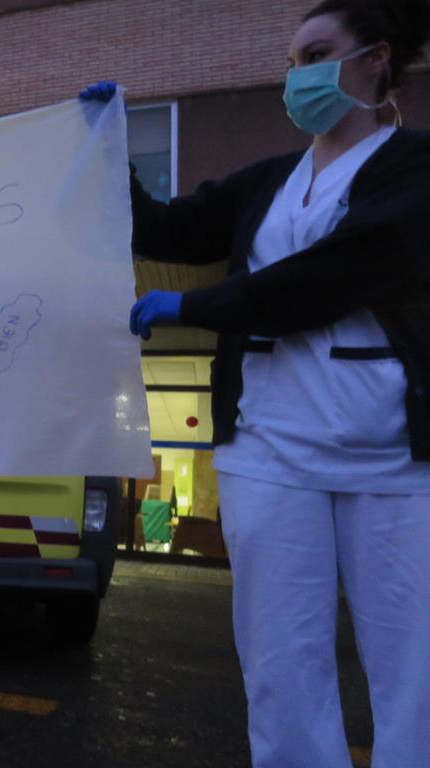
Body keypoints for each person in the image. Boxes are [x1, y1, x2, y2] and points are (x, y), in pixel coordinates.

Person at [83, 1, 430, 766]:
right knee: (281, 667)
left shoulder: (414, 170)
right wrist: (110, 154)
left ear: (375, 60)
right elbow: (168, 229)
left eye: (316, 54)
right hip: (268, 454)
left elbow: (332, 276)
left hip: (392, 463)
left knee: (417, 671)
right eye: (291, 61)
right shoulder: (268, 182)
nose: (297, 76)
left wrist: (198, 306)